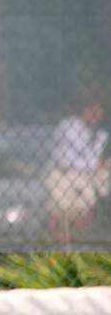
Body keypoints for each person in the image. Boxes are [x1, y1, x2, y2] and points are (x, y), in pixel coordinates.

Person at [46, 89, 110, 242]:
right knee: (66, 210)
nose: (99, 114)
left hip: (86, 175)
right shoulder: (69, 128)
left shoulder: (98, 132)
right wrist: (96, 164)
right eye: (96, 110)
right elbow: (66, 160)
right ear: (85, 110)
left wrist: (102, 164)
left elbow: (93, 158)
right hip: (64, 175)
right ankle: (62, 237)